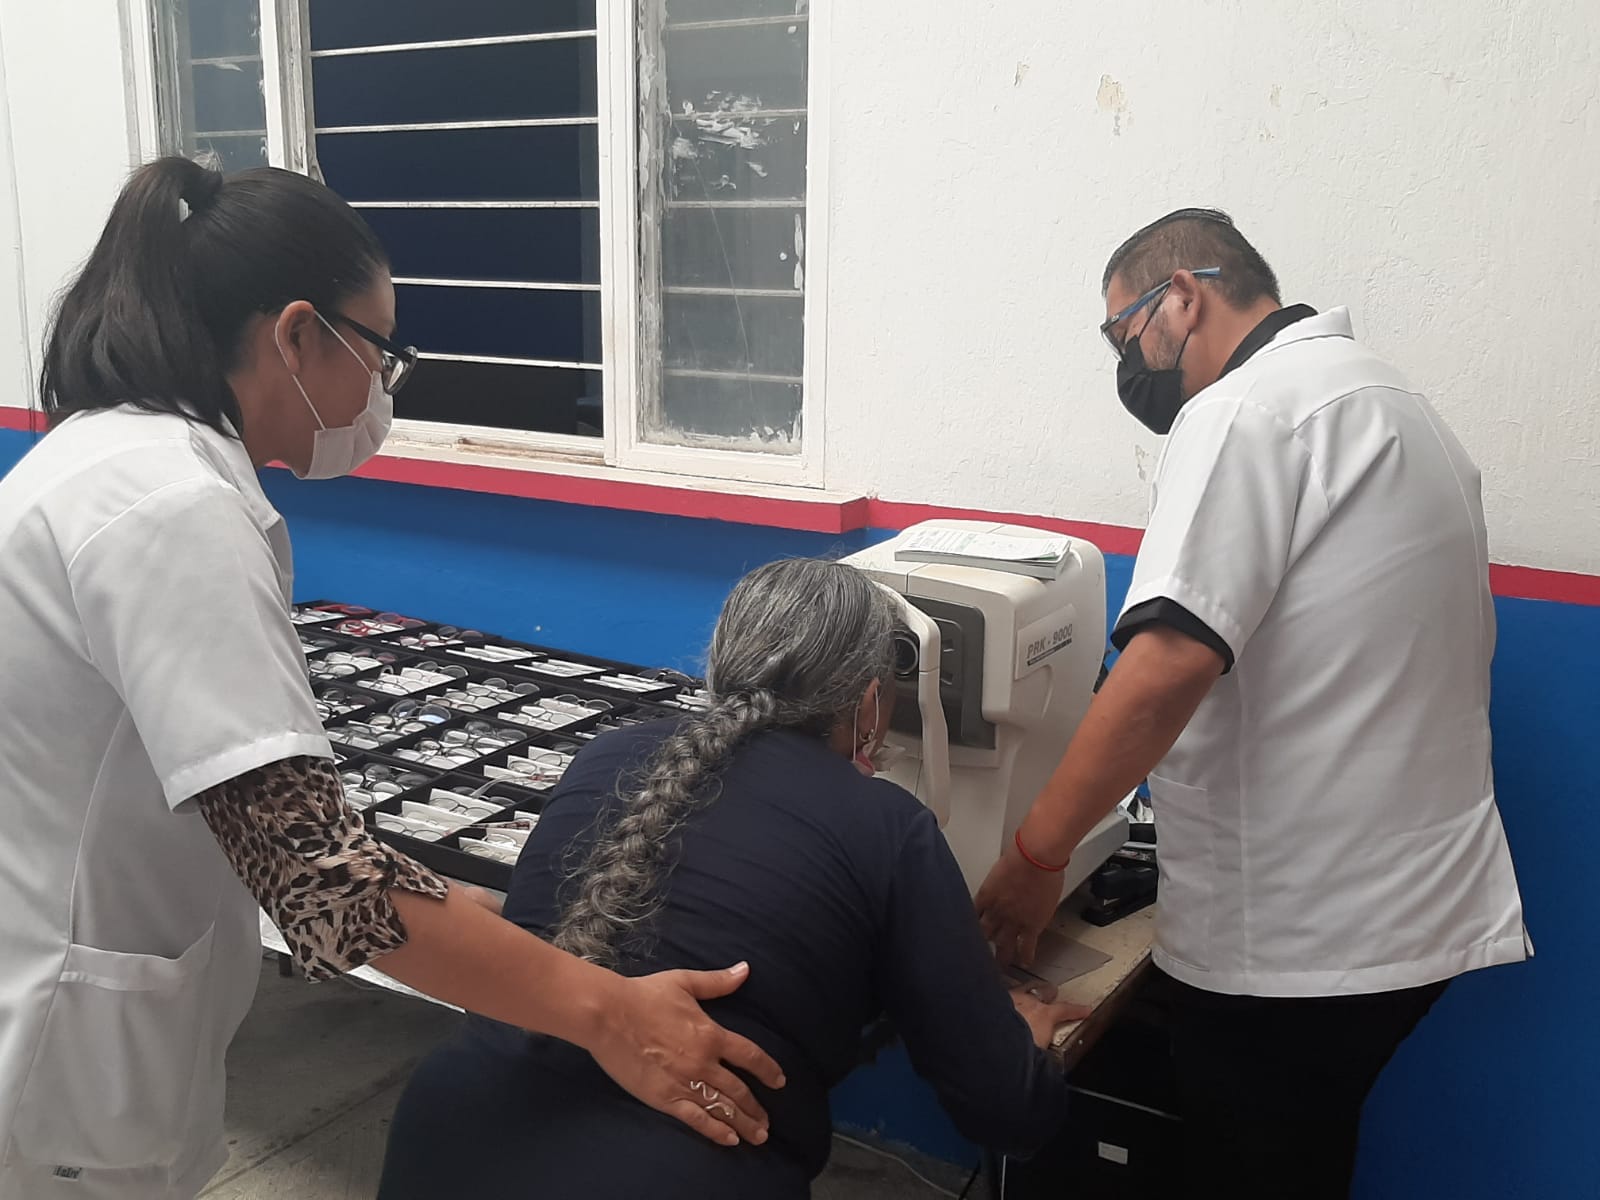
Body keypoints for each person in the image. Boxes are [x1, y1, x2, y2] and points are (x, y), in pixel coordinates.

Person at [0, 158, 785, 1200]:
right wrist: (610, 1014)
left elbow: (264, 816)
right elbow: (322, 884)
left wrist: (448, 906)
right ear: (296, 336)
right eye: (381, 352)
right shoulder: (173, 508)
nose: (384, 388)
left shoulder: (106, 455)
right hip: (66, 1060)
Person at [974, 209, 1530, 1197]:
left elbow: (1167, 666)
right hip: (1411, 910)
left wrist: (1033, 860)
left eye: (1125, 334)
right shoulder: (1394, 402)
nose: (1129, 366)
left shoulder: (1246, 408)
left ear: (1183, 297)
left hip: (1299, 937)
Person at [377, 559, 1084, 1200]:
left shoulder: (606, 755)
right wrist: (1018, 1042)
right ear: (871, 703)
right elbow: (1007, 1112)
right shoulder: (889, 826)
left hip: (447, 1130)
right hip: (674, 1173)